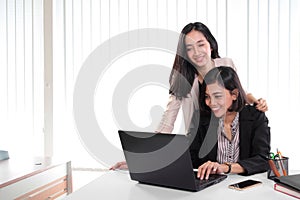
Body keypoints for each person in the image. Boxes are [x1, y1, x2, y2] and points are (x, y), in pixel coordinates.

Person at [110, 22, 268, 170]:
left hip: (225, 135)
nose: (197, 52)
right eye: (189, 48)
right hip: (199, 138)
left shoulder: (225, 64)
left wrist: (255, 101)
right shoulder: (181, 78)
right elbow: (168, 120)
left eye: (201, 44)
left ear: (211, 45)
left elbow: (237, 91)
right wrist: (146, 158)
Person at [189, 66, 270, 180]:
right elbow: (191, 159)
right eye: (207, 97)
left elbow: (262, 160)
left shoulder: (256, 117)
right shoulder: (201, 118)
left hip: (246, 183)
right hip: (211, 185)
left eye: (218, 96)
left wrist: (225, 168)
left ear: (234, 94)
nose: (211, 103)